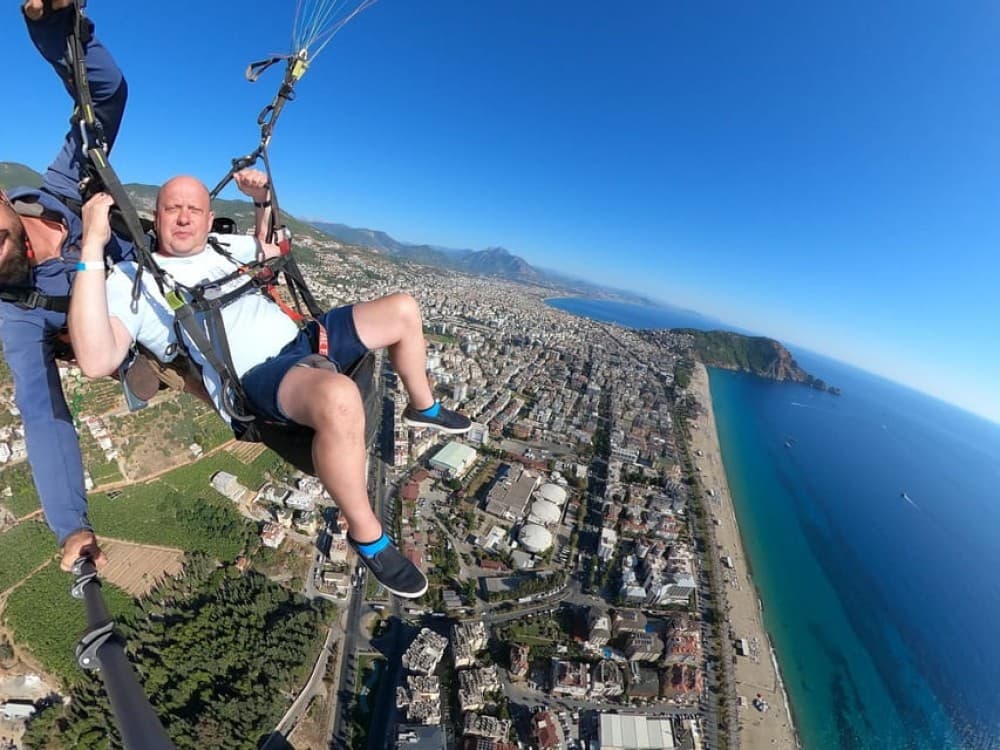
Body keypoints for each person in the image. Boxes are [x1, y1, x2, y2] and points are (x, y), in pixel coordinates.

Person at [70, 174, 472, 598]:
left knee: (403, 310)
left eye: (193, 209)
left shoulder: (224, 247)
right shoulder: (134, 281)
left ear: (209, 219)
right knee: (339, 397)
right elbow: (97, 360)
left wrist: (262, 199)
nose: (184, 218)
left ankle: (422, 405)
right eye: (173, 209)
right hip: (256, 376)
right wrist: (93, 244)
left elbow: (273, 249)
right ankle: (366, 532)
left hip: (301, 340)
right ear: (157, 217)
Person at [0, 0, 133, 572]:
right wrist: (71, 525)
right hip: (134, 331)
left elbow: (103, 100)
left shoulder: (62, 185)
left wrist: (56, 34)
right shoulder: (18, 314)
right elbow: (42, 412)